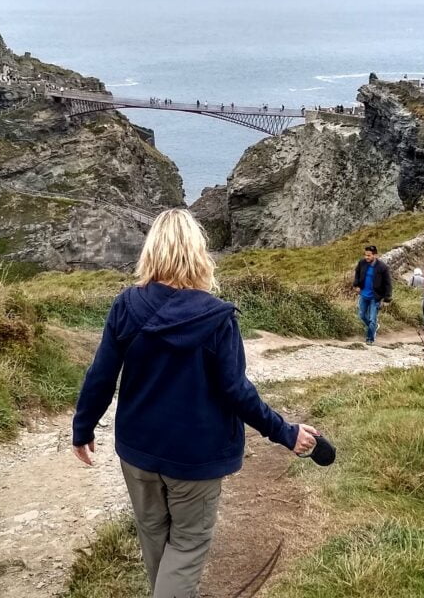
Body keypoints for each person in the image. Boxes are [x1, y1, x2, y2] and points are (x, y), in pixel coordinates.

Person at [71, 209, 318, 598]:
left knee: (154, 537)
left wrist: (82, 428)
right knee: (186, 547)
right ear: (198, 254)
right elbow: (237, 391)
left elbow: (101, 375)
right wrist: (285, 432)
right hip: (195, 457)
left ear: (152, 252)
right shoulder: (216, 319)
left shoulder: (126, 305)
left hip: (138, 450)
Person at [353, 245, 393, 343]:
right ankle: (375, 327)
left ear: (375, 255)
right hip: (363, 295)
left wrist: (387, 299)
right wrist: (356, 285)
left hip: (375, 297)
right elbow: (357, 274)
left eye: (369, 255)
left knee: (372, 319)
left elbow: (388, 284)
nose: (366, 257)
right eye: (365, 255)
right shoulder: (362, 263)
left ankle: (370, 339)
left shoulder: (383, 268)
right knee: (361, 315)